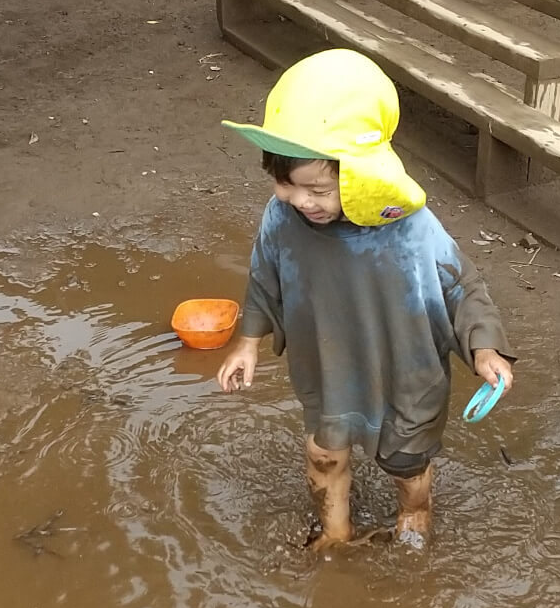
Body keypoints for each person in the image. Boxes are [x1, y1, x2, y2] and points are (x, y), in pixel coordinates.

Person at [215, 49, 514, 550]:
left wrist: (485, 348)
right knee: (324, 453)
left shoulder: (412, 229)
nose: (301, 201)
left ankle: (414, 518)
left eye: (317, 189)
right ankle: (335, 531)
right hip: (331, 368)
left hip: (406, 372)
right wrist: (246, 343)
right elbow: (264, 278)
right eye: (285, 185)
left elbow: (462, 287)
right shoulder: (281, 219)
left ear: (360, 174)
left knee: (406, 463)